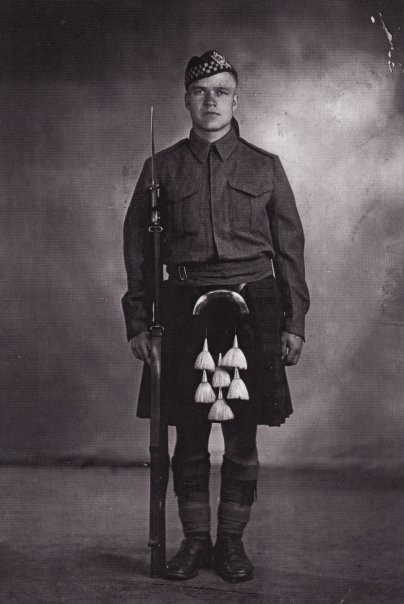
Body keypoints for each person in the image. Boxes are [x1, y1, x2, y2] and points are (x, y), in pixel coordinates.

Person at [122, 50, 309, 583]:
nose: (211, 101)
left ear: (236, 99)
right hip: (184, 310)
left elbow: (290, 250)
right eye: (201, 92)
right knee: (188, 435)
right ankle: (194, 541)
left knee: (243, 437)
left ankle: (230, 543)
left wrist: (293, 322)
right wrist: (139, 323)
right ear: (187, 99)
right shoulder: (160, 169)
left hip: (253, 310)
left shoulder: (265, 167)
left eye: (221, 91)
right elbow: (138, 252)